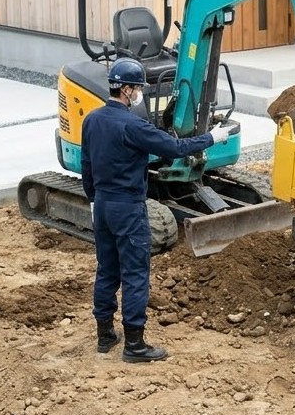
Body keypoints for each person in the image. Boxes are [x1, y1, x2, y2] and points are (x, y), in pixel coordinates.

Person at [81, 58, 230, 362]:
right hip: (127, 207)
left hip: (104, 205)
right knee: (136, 272)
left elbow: (86, 166)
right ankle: (134, 345)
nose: (139, 93)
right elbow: (174, 149)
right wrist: (213, 138)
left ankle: (105, 335)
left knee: (107, 269)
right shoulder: (133, 125)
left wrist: (94, 200)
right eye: (137, 88)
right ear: (125, 89)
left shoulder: (91, 120)